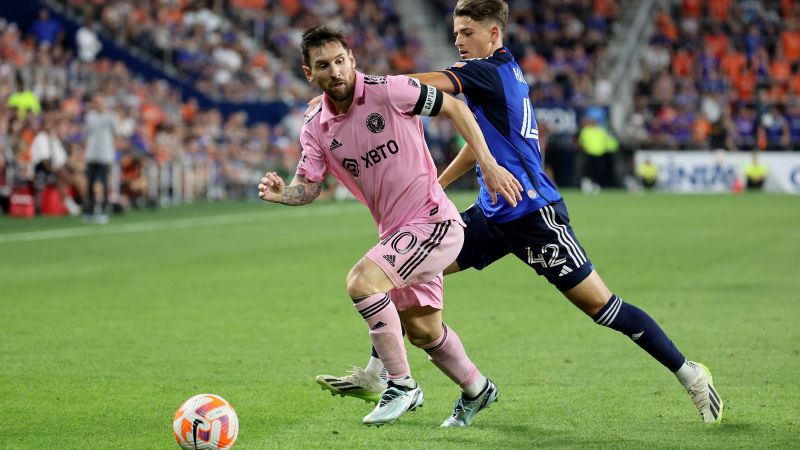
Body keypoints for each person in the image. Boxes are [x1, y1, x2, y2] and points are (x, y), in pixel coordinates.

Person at [316, 0, 723, 425]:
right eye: (455, 33)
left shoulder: (486, 72)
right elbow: (482, 146)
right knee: (405, 271)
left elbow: (407, 86)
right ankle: (383, 375)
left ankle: (690, 372)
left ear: (494, 34)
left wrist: (354, 85)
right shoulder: (498, 73)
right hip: (491, 215)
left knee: (601, 307)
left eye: (467, 32)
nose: (458, 41)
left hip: (534, 215)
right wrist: (438, 183)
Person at [258, 26, 523, 427]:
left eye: (340, 60)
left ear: (353, 58)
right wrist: (284, 193)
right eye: (323, 66)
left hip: (432, 220)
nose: (335, 71)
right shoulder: (315, 124)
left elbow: (456, 107)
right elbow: (309, 186)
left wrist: (487, 163)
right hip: (396, 233)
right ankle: (478, 389)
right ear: (309, 73)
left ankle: (400, 386)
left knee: (362, 282)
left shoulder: (390, 90)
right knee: (422, 331)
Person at [83, 94, 116, 224]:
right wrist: (105, 115)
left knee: (104, 183)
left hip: (105, 154)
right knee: (90, 183)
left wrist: (107, 114)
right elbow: (92, 126)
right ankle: (90, 211)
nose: (99, 104)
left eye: (101, 102)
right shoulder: (90, 116)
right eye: (97, 102)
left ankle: (103, 210)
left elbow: (115, 128)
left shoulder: (111, 116)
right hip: (92, 154)